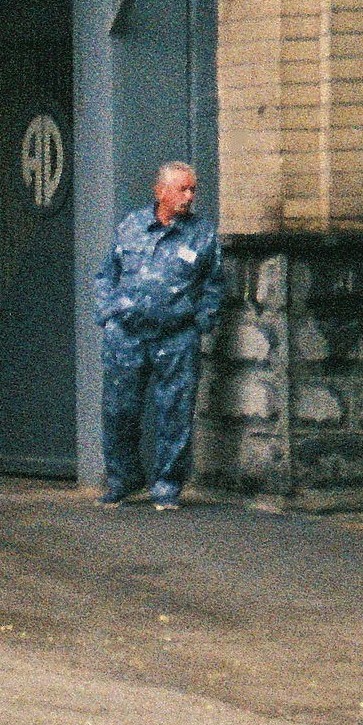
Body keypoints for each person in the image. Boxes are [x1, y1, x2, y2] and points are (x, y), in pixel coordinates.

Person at [92, 158, 224, 509]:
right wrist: (107, 314)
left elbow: (214, 285)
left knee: (175, 413)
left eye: (193, 189)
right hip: (127, 336)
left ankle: (167, 487)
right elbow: (107, 273)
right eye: (182, 189)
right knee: (119, 410)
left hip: (176, 337)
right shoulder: (131, 226)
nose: (189, 196)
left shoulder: (203, 234)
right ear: (160, 191)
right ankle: (123, 480)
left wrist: (200, 323)